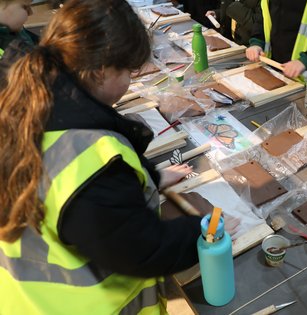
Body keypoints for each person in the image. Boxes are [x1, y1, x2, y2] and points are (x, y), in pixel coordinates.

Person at [0, 0, 207, 313]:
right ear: (100, 70)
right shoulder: (90, 160)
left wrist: (150, 177)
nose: (130, 82)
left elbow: (66, 191)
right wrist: (201, 231)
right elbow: (143, 250)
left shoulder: (25, 95)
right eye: (128, 71)